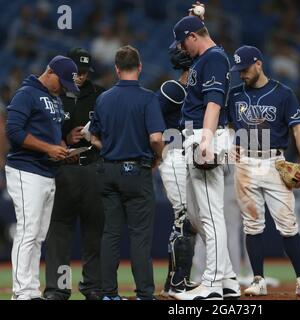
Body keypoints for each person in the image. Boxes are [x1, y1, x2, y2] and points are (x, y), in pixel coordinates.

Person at [228, 45, 300, 299]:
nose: (241, 74)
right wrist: (232, 144)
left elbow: (298, 127)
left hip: (274, 162)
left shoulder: (283, 93)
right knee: (252, 224)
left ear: (258, 64)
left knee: (287, 224)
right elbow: (227, 125)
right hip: (245, 163)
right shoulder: (234, 95)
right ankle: (258, 279)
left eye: (244, 68)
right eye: (238, 70)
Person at [169, 15, 240, 300]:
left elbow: (212, 103)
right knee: (203, 216)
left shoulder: (214, 59)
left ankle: (211, 286)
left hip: (204, 134)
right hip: (196, 134)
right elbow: (177, 56)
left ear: (193, 37)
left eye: (183, 41)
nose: (181, 48)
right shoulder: (203, 57)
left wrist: (207, 141)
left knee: (211, 217)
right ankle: (228, 280)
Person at [89, 45, 165, 300]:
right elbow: (156, 137)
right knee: (139, 237)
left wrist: (107, 147)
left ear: (117, 69)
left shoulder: (103, 98)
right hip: (137, 172)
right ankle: (144, 294)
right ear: (140, 67)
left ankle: (109, 293)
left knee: (110, 233)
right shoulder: (148, 98)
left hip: (108, 171)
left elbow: (91, 135)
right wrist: (158, 156)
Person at [5, 56, 79, 300]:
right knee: (28, 231)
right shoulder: (26, 94)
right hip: (26, 169)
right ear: (51, 72)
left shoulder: (55, 98)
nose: (64, 88)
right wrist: (48, 149)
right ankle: (20, 293)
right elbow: (14, 132)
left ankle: (30, 289)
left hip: (46, 171)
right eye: (63, 82)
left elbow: (52, 135)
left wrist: (62, 148)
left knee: (38, 235)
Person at [44, 48, 105, 300]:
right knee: (60, 234)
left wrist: (95, 137)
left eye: (84, 72)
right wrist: (66, 137)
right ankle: (59, 289)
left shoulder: (101, 95)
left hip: (93, 168)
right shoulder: (54, 95)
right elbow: (43, 132)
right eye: (76, 72)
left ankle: (92, 287)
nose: (80, 77)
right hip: (64, 170)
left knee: (95, 232)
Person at [157, 48, 198, 297]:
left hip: (189, 159)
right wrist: (158, 152)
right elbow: (149, 117)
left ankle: (177, 280)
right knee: (182, 219)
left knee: (188, 222)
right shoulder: (172, 89)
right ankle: (176, 283)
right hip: (173, 157)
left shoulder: (195, 95)